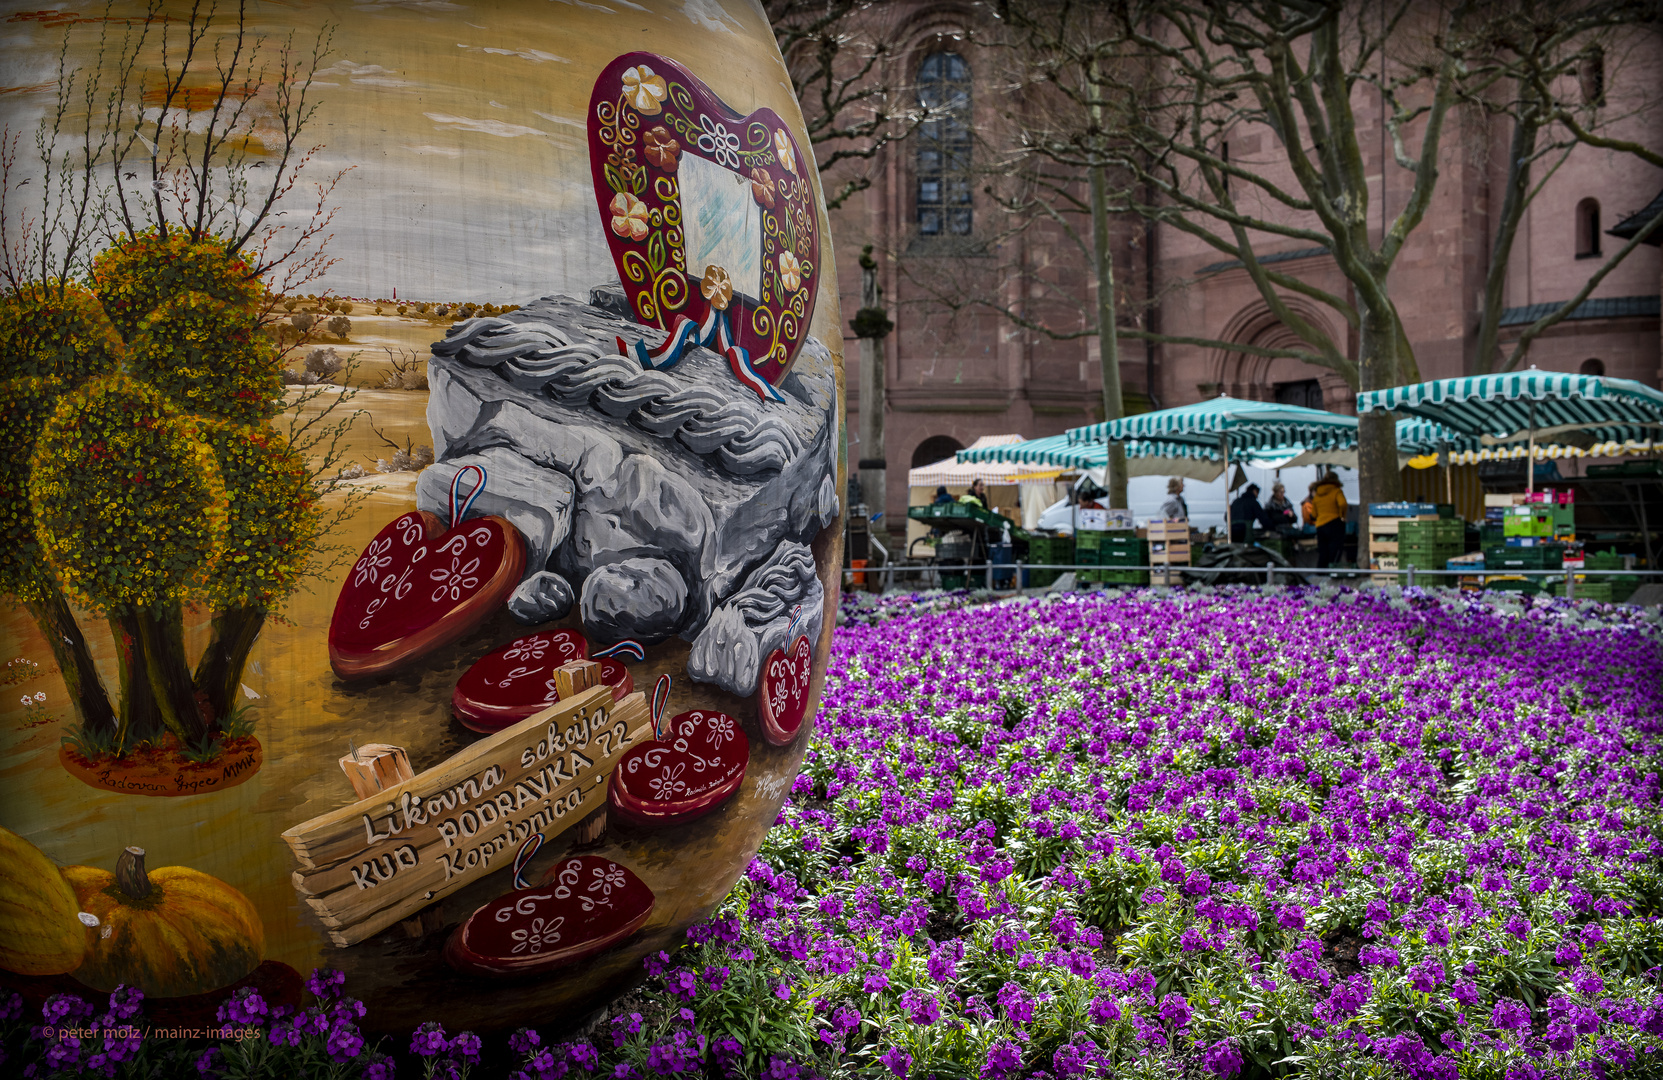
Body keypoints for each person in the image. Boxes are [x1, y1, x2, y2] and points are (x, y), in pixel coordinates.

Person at [1312, 471, 1348, 568]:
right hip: (1334, 523)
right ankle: (1332, 570)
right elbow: (1343, 504)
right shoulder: (1337, 491)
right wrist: (1342, 516)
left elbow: (1314, 513)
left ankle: (1320, 573)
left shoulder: (1317, 494)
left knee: (1323, 551)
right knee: (1335, 550)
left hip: (1320, 525)